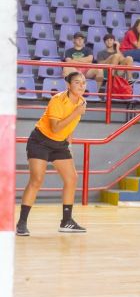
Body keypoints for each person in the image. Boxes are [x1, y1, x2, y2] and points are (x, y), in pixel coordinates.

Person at [16, 72, 88, 236]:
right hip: (40, 141)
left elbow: (70, 126)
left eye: (83, 82)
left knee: (72, 178)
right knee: (37, 180)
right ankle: (21, 223)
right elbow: (55, 127)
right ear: (69, 85)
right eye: (77, 82)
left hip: (59, 145)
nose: (81, 85)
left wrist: (69, 143)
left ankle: (66, 221)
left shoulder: (82, 102)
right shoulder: (57, 100)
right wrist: (76, 113)